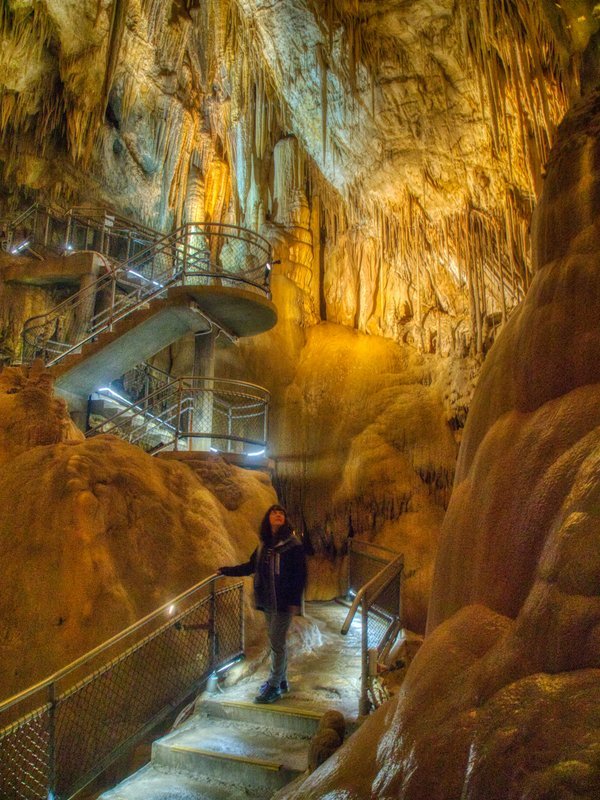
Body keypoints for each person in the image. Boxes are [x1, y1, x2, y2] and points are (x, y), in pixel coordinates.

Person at [218, 504, 307, 704]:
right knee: (277, 642)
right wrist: (227, 571)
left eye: (281, 513)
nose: (278, 515)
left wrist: (294, 601)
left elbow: (300, 575)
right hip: (267, 601)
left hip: (283, 602)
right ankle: (282, 680)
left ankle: (274, 685)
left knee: (276, 643)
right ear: (268, 518)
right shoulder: (263, 546)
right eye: (274, 512)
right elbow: (250, 567)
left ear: (285, 520)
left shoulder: (293, 545)